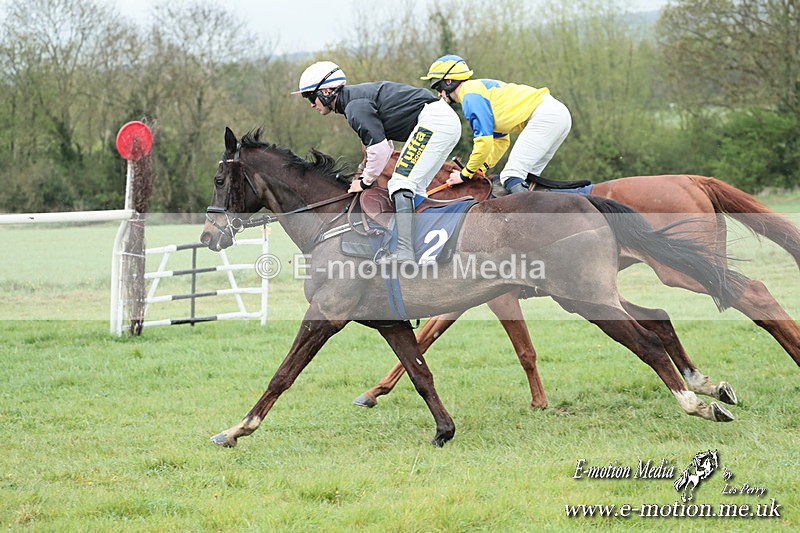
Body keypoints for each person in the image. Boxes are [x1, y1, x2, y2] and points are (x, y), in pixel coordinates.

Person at [293, 61, 461, 263]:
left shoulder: (355, 107)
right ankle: (422, 246)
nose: (312, 104)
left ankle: (405, 252)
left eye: (311, 96)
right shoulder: (355, 102)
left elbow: (380, 150)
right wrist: (365, 172)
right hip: (442, 121)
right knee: (415, 188)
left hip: (435, 121)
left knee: (400, 183)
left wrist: (364, 181)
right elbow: (387, 148)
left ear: (327, 91)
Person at [421, 54, 571, 194]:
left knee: (511, 176)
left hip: (545, 116)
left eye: (438, 87)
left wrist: (465, 174)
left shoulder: (470, 97)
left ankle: (528, 219)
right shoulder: (476, 90)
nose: (439, 94)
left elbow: (484, 142)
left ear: (449, 82)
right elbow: (501, 140)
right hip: (557, 115)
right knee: (528, 178)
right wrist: (481, 167)